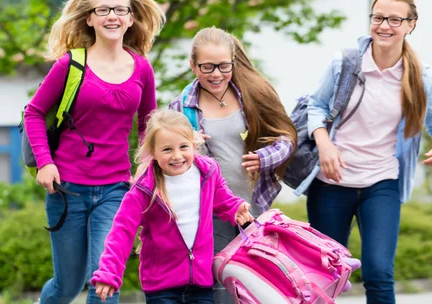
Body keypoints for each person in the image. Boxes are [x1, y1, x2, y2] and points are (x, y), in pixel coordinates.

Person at [296, 0, 432, 303]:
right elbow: (316, 107)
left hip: (382, 183)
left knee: (379, 271)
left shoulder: (420, 76)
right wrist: (324, 143)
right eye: (378, 17)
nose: (384, 26)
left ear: (411, 24)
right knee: (323, 275)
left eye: (395, 20)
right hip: (331, 184)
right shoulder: (345, 63)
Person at [22, 0, 165, 302]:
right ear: (89, 19)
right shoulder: (71, 65)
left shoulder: (142, 68)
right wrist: (45, 163)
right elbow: (34, 113)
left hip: (115, 189)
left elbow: (148, 124)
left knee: (105, 279)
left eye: (120, 9)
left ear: (130, 19)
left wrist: (146, 162)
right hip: (67, 188)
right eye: (103, 9)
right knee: (67, 286)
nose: (112, 15)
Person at [168, 27, 297, 303]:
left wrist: (265, 157)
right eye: (207, 66)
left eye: (224, 66)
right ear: (193, 65)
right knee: (220, 282)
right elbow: (164, 160)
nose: (216, 74)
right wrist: (188, 147)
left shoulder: (252, 95)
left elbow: (286, 139)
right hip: (211, 210)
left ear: (233, 63)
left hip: (255, 207)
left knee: (260, 284)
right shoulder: (180, 110)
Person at [90, 109, 255, 304]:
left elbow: (221, 194)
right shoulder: (143, 190)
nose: (177, 156)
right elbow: (121, 232)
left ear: (193, 144)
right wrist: (109, 272)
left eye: (183, 147)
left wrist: (235, 207)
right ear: (153, 152)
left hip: (200, 281)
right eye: (167, 149)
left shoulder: (208, 172)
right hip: (161, 286)